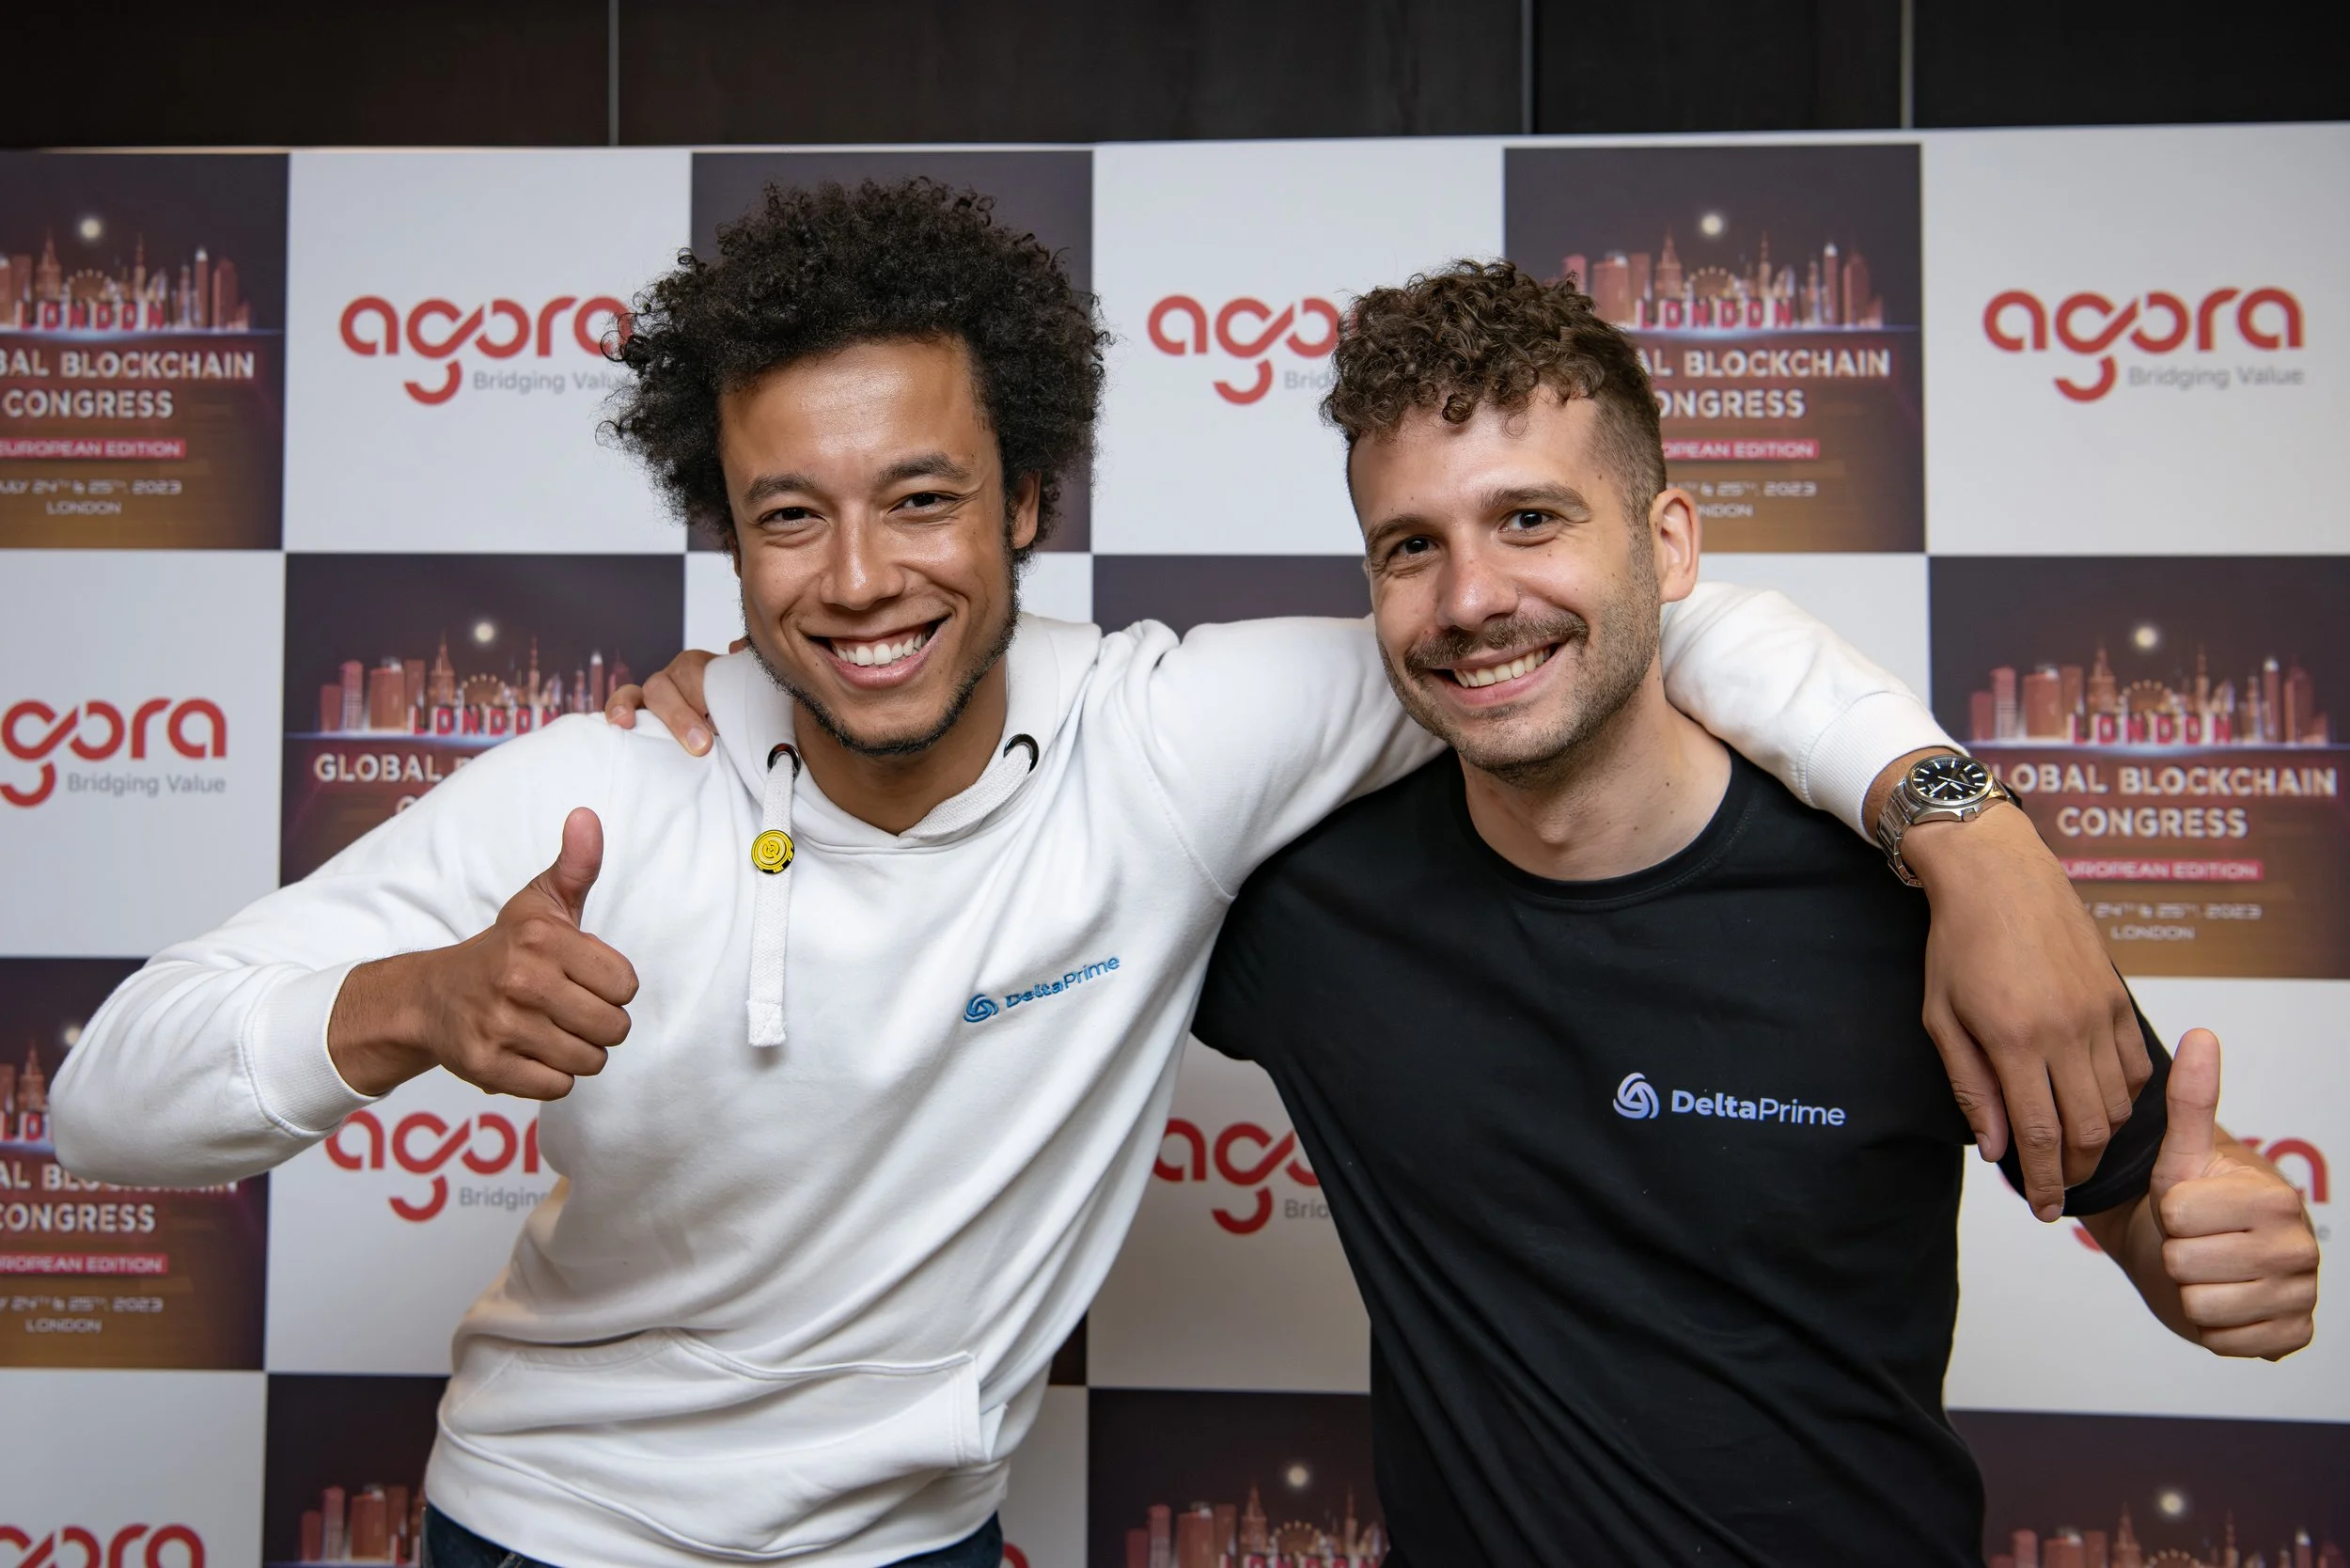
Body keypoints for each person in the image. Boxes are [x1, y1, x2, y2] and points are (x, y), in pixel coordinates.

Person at [57, 182, 2141, 1568]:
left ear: (1030, 494)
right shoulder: (601, 790)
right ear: (728, 537)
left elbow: (1605, 621)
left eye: (922, 499)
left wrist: (1968, 833)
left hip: (923, 1548)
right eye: (790, 519)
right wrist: (393, 1007)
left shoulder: (1177, 733)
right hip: (557, 1538)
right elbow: (104, 1098)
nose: (859, 579)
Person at [1172, 262, 2320, 1562]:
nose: (1472, 597)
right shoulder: (1312, 907)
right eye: (1412, 547)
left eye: (1533, 519)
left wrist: (2206, 1254)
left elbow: (2141, 1207)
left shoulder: (1918, 901)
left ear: (1669, 546)